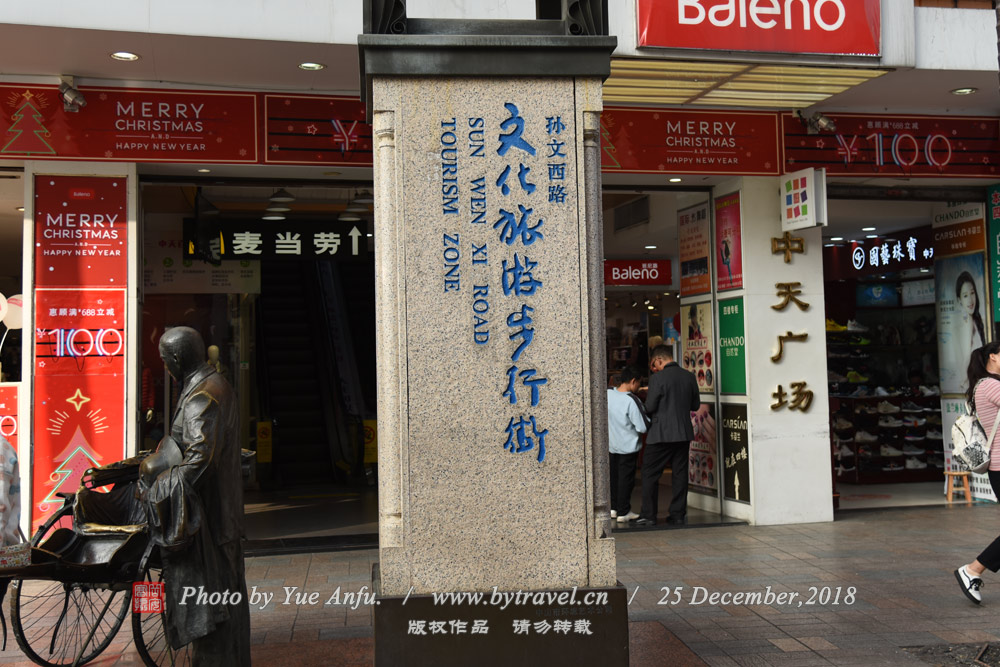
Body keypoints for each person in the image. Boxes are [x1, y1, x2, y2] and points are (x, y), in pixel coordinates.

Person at [145, 327, 250, 664]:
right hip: (219, 517)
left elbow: (199, 461)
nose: (164, 367)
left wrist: (158, 487)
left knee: (214, 611)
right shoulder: (211, 384)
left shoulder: (203, 395)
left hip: (210, 520)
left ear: (177, 358)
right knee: (228, 604)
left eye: (165, 360)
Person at [637, 345, 704, 526]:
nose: (654, 368)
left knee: (649, 472)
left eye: (654, 364)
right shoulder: (689, 376)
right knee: (680, 474)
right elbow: (695, 406)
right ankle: (677, 514)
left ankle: (649, 515)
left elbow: (650, 406)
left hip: (661, 433)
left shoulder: (657, 379)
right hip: (683, 432)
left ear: (659, 360)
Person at [955, 341, 1000, 604]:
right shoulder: (991, 386)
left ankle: (973, 570)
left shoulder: (984, 385)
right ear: (993, 357)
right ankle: (972, 570)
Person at [607, 367, 649, 523]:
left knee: (613, 477)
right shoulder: (632, 400)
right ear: (633, 381)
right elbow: (643, 427)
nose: (639, 387)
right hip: (628, 446)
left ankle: (613, 508)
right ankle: (623, 511)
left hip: (611, 444)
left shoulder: (608, 394)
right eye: (639, 383)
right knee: (626, 479)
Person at [954, 272, 985, 393]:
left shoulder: (975, 321)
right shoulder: (967, 324)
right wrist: (964, 380)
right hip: (971, 385)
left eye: (972, 293)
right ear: (959, 300)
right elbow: (966, 357)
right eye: (965, 295)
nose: (970, 300)